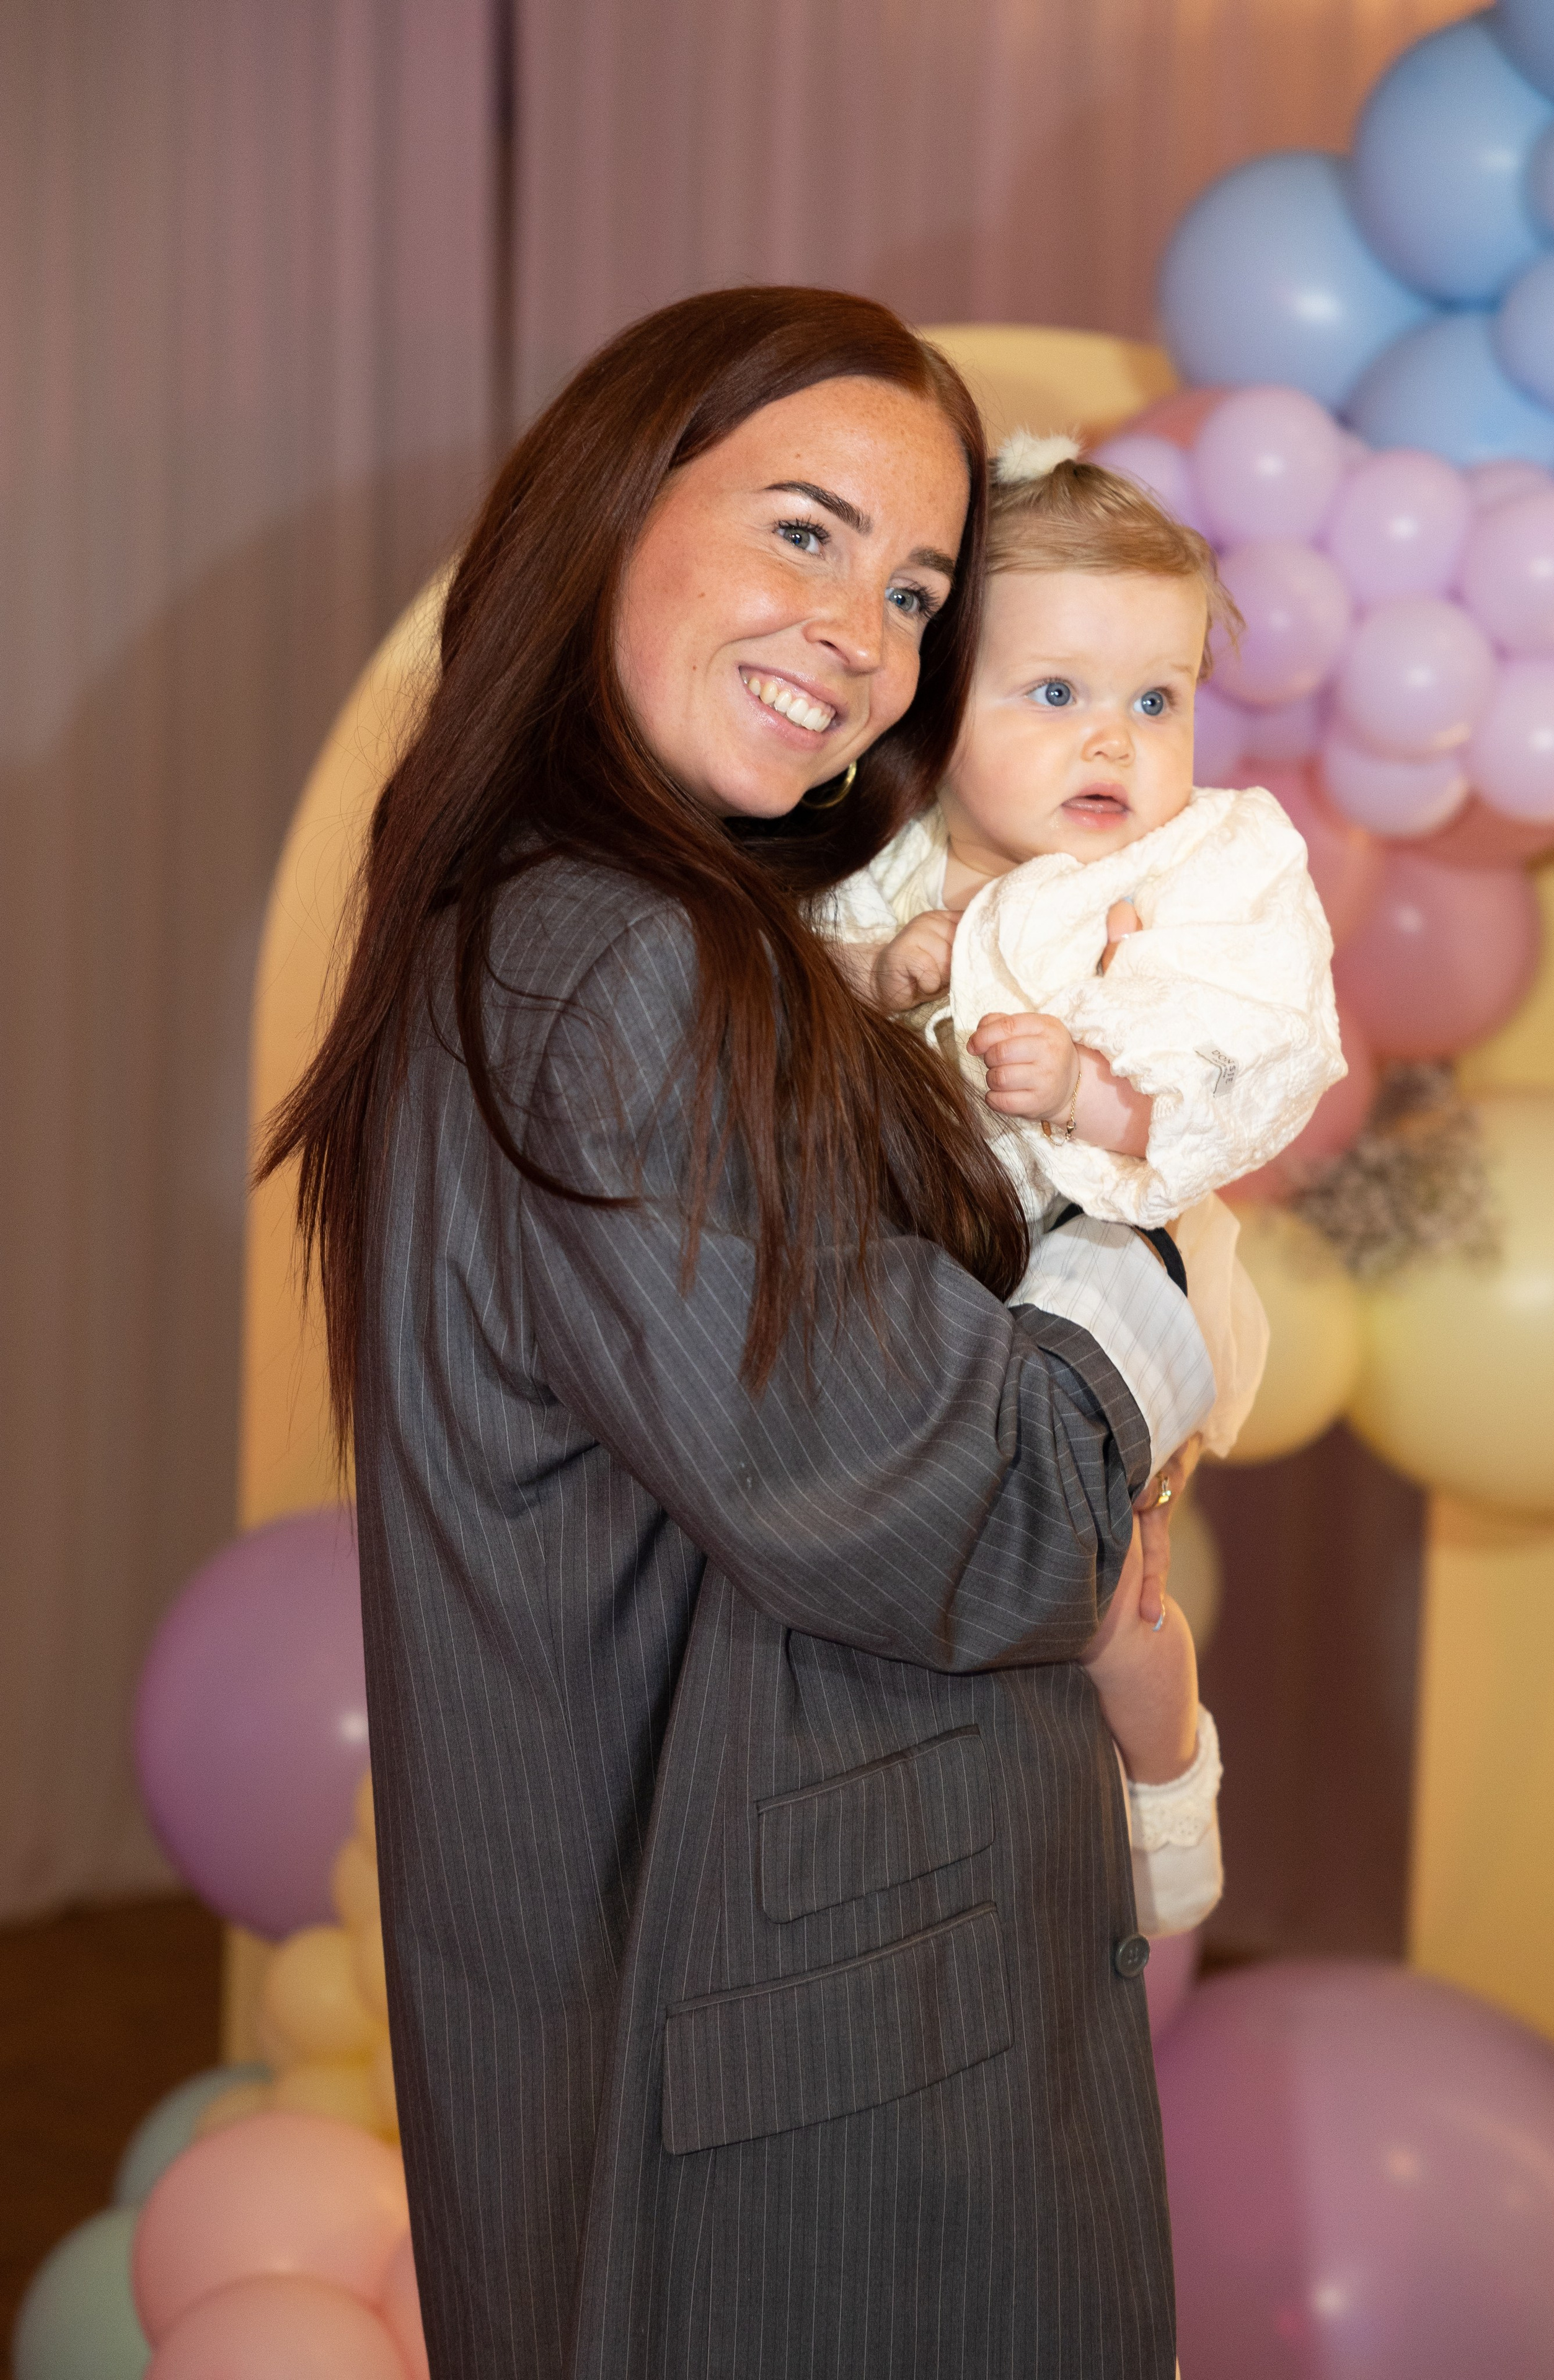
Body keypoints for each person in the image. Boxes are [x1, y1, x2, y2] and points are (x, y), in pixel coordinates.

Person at [263, 288, 1216, 2379]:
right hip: (810, 2129)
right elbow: (990, 1519)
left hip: (817, 2057)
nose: (860, 634)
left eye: (913, 590)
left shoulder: (642, 938)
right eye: (802, 532)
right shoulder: (606, 963)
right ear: (607, 515)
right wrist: (1145, 1274)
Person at [827, 440, 1346, 1457]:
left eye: (1156, 702)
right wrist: (876, 973)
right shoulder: (876, 849)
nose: (1115, 741)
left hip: (1095, 1280)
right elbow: (772, 993)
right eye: (1058, 693)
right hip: (886, 1286)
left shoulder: (1201, 867)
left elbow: (1257, 1063)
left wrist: (1086, 1093)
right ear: (940, 701)